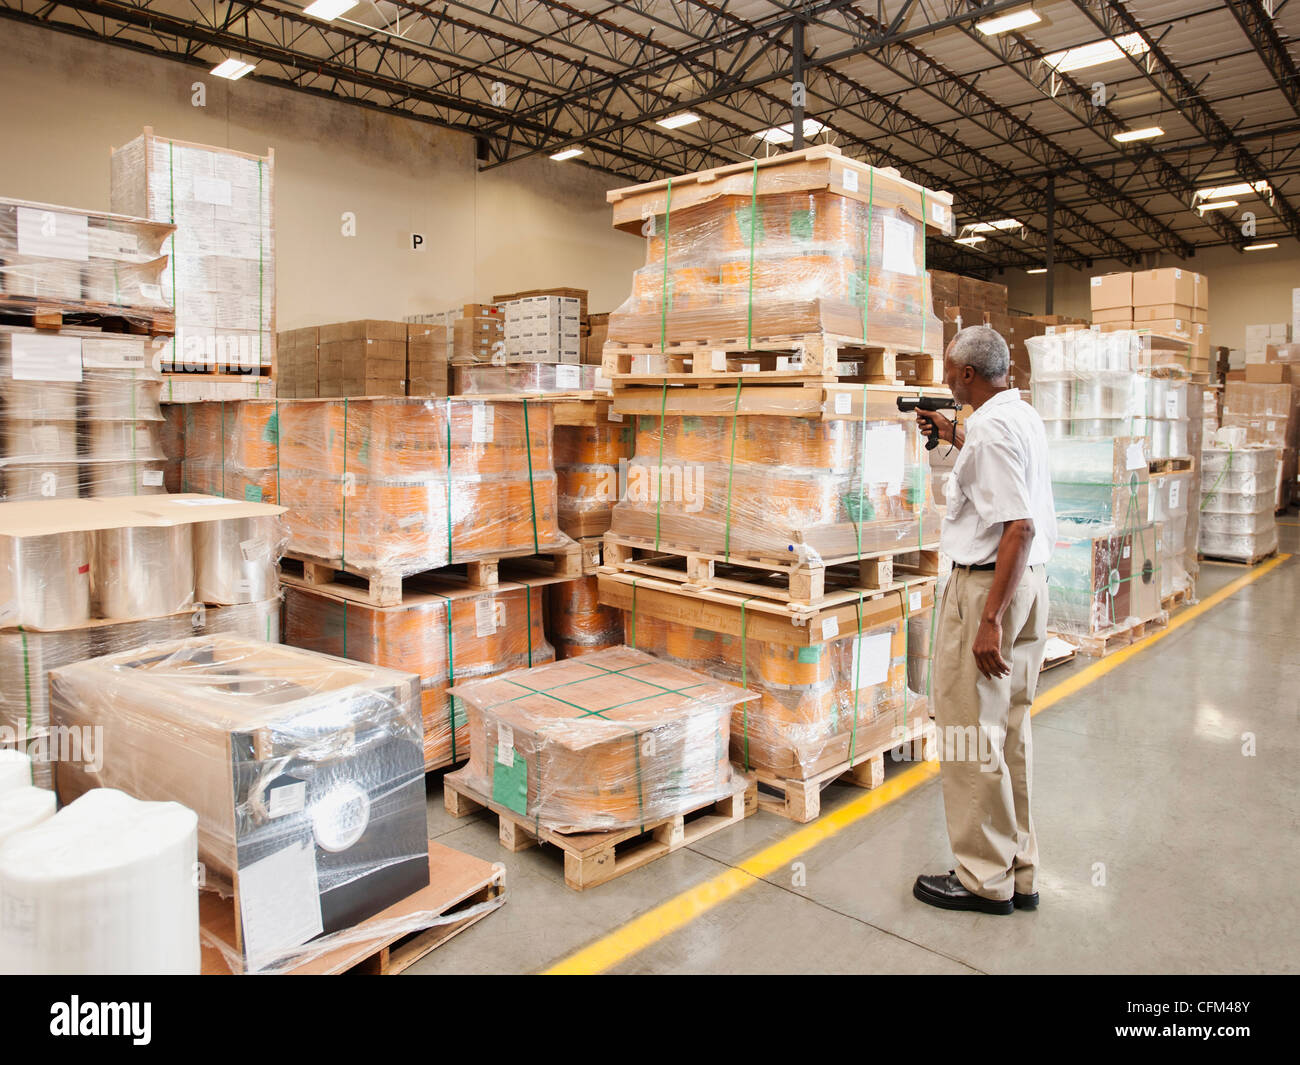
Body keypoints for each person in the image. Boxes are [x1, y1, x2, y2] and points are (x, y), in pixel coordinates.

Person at [910, 325, 1056, 916]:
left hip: (989, 588)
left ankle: (982, 879)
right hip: (1029, 586)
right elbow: (997, 478)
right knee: (1010, 732)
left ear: (968, 374)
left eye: (951, 371)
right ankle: (1018, 871)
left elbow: (1015, 525)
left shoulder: (991, 429)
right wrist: (951, 436)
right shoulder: (1019, 416)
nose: (947, 380)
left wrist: (988, 618)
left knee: (971, 735)